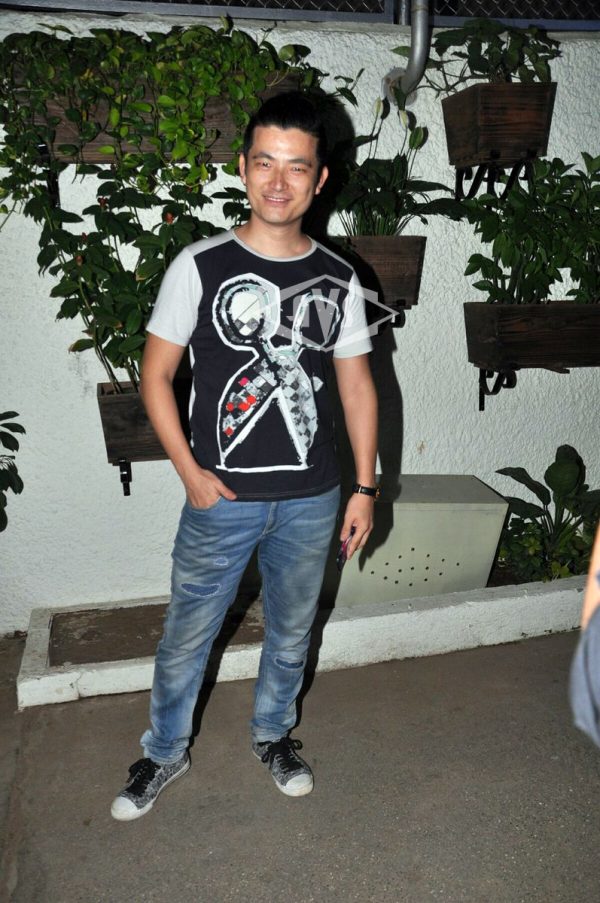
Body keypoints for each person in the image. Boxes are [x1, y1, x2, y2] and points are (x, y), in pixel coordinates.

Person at [111, 92, 379, 821]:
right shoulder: (199, 265)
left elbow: (357, 388)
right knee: (187, 635)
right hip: (221, 498)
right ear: (243, 166)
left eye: (297, 167)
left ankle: (272, 736)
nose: (278, 181)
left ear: (320, 179)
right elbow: (155, 376)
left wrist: (363, 488)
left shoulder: (339, 277)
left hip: (314, 497)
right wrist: (190, 473)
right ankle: (164, 751)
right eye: (265, 162)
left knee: (292, 632)